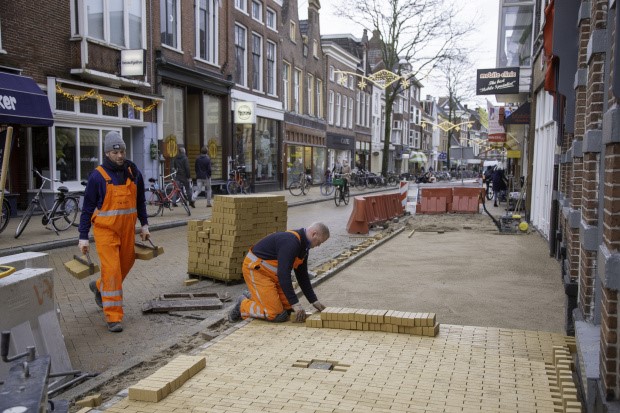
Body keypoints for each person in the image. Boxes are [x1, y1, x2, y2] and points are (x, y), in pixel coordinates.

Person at [78, 131, 150, 333]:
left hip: (127, 230)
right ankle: (113, 317)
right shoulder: (97, 177)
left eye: (122, 151)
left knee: (126, 263)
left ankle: (99, 287)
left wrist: (144, 225)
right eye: (115, 152)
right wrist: (83, 237)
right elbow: (86, 210)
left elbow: (140, 201)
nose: (120, 155)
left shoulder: (133, 173)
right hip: (105, 231)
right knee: (112, 271)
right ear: (107, 153)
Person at [228, 222, 330, 323]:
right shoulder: (291, 242)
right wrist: (296, 304)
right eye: (319, 242)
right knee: (277, 314)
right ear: (314, 234)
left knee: (288, 310)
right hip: (257, 271)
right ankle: (242, 305)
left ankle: (254, 296)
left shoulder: (304, 248)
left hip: (273, 276)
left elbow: (302, 277)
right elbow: (284, 275)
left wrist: (313, 300)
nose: (319, 245)